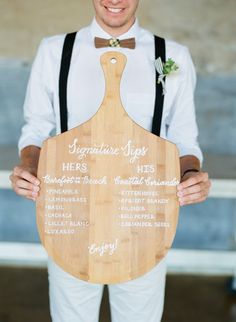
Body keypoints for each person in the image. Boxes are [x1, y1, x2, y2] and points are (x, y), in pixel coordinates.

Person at [10, 0, 211, 321]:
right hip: (70, 217)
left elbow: (185, 136)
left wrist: (191, 174)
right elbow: (35, 128)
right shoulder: (53, 51)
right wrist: (30, 167)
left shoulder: (172, 56)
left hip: (144, 219)